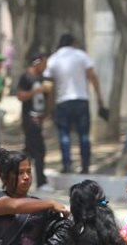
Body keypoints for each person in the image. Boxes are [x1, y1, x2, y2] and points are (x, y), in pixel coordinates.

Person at [44, 34, 106, 175]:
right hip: (81, 100)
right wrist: (99, 98)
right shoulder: (81, 56)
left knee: (64, 135)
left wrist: (49, 106)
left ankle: (67, 164)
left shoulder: (53, 59)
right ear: (73, 42)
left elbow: (49, 86)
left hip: (63, 102)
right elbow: (92, 76)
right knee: (83, 135)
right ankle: (85, 166)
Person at [15, 52, 53, 191]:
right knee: (39, 150)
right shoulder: (26, 77)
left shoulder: (43, 78)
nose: (45, 66)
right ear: (37, 63)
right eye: (44, 63)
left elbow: (47, 100)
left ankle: (14, 174)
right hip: (29, 118)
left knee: (28, 152)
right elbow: (20, 95)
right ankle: (41, 182)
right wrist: (35, 91)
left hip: (39, 118)